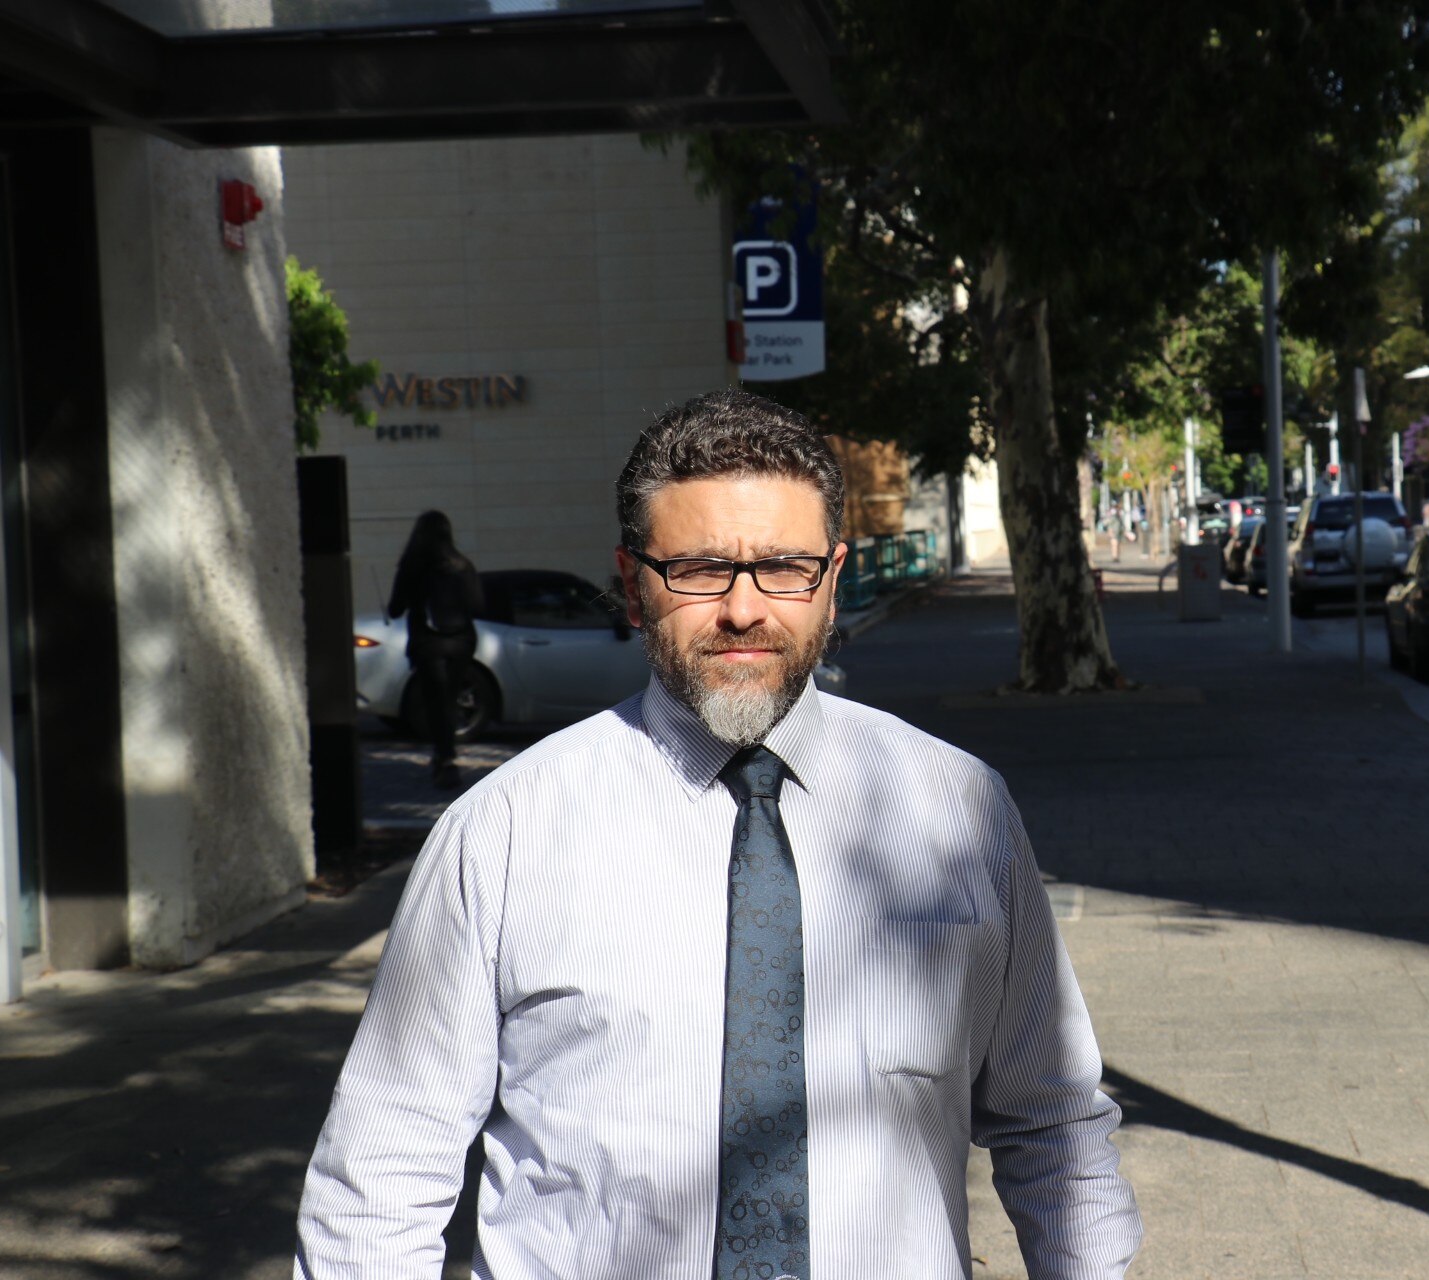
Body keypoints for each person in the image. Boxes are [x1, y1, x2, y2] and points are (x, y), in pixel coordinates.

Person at [295, 388, 1140, 1279]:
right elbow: (382, 1175)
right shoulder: (502, 835)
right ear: (632, 585)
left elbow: (1053, 1125)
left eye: (784, 566)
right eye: (699, 569)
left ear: (834, 579)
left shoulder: (960, 812)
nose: (745, 609)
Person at [385, 510, 485, 789]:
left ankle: (444, 756)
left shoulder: (413, 566)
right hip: (461, 641)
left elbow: (396, 607)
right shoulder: (463, 565)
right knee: (450, 697)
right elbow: (478, 606)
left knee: (435, 700)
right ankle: (447, 756)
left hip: (428, 643)